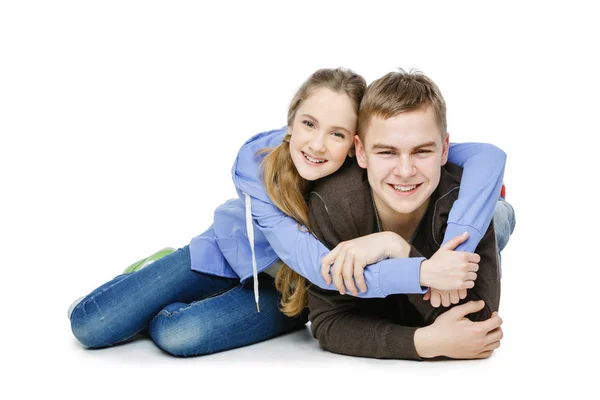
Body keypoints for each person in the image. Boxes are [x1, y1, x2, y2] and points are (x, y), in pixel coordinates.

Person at [69, 67, 512, 357]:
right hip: (225, 255)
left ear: (355, 144)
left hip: (286, 289)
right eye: (308, 124)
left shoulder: (372, 168)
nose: (318, 145)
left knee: (176, 335)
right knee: (91, 326)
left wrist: (435, 244)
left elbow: (487, 157)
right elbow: (325, 271)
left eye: (337, 133)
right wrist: (412, 265)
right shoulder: (258, 166)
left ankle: (504, 217)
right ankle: (149, 276)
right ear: (290, 122)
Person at [304, 69, 512, 360]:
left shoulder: (466, 205)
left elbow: (479, 329)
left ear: (444, 151)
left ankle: (503, 214)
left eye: (422, 152)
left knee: (498, 216)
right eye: (387, 153)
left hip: (474, 211)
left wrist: (396, 248)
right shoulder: (333, 204)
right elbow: (328, 321)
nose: (404, 172)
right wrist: (422, 342)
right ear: (360, 152)